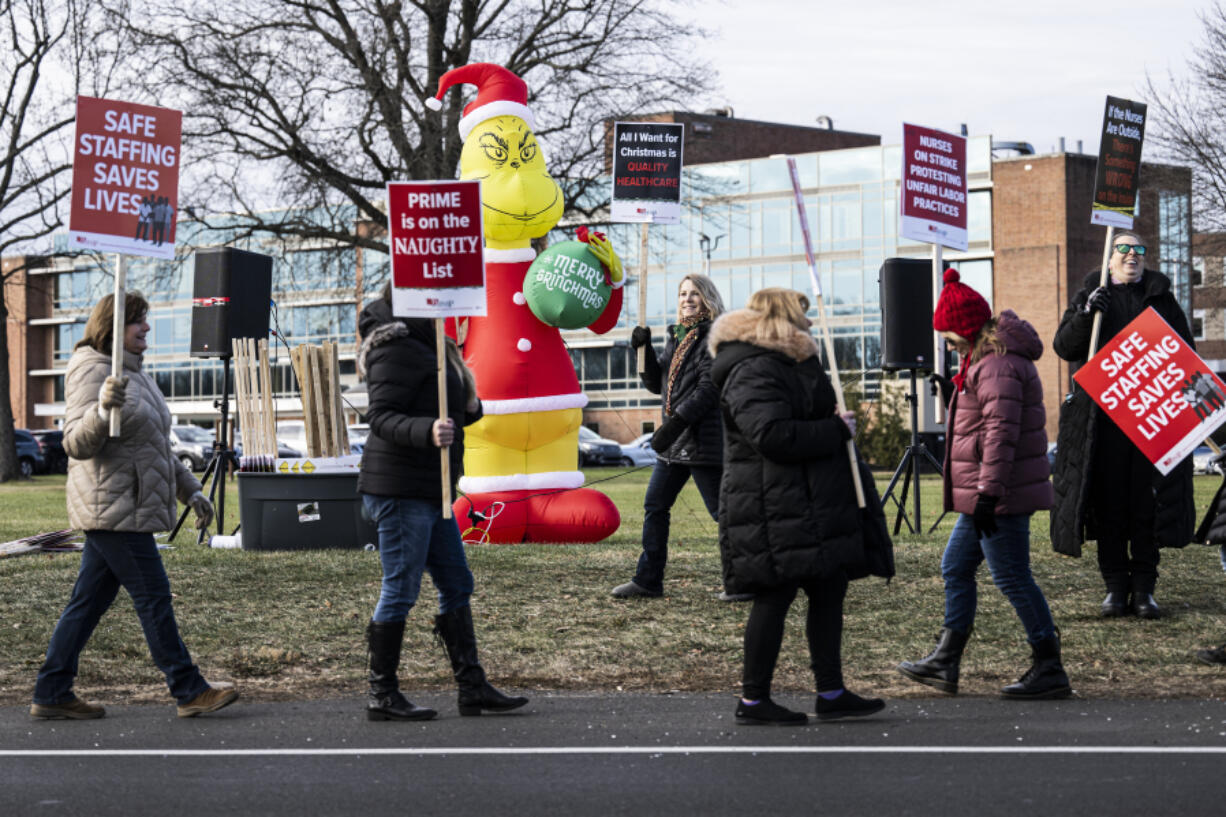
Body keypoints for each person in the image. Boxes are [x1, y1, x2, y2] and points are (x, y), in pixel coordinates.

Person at [31, 292, 237, 720]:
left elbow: (155, 447)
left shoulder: (135, 373)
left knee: (86, 605)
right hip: (113, 506)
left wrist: (190, 491)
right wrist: (103, 409)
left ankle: (52, 692)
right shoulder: (92, 370)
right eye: (137, 321)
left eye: (146, 320)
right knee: (154, 596)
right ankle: (188, 688)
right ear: (112, 326)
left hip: (131, 505)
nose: (146, 328)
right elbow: (75, 444)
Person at [709, 288, 892, 725]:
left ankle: (831, 691)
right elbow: (772, 436)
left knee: (829, 589)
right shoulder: (752, 368)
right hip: (772, 504)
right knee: (774, 595)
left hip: (808, 500)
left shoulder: (786, 362)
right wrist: (834, 430)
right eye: (803, 318)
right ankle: (753, 700)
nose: (810, 326)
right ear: (785, 319)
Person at [357, 285, 528, 721]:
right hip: (400, 488)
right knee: (401, 589)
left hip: (434, 489)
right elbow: (378, 416)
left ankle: (472, 687)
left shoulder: (436, 339)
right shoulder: (393, 343)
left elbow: (452, 405)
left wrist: (470, 408)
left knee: (457, 582)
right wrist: (426, 430)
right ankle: (383, 694)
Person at [897, 270, 1070, 699]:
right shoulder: (985, 361)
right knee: (956, 566)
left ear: (968, 328)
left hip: (998, 493)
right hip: (986, 493)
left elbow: (1000, 434)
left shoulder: (996, 364)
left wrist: (989, 494)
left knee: (1012, 576)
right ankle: (945, 660)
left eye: (949, 334)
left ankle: (1049, 665)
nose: (947, 343)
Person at [1051, 232, 1196, 619]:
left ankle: (1145, 589)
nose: (1132, 256)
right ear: (1110, 259)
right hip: (1104, 423)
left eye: (1139, 250)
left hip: (1151, 420)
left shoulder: (1162, 298)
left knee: (1145, 506)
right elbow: (1065, 347)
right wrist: (1085, 317)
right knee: (1111, 505)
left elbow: (1186, 353)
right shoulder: (1091, 295)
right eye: (1124, 250)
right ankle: (1115, 588)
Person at [612, 274, 734, 599]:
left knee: (723, 513)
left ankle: (745, 579)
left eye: (695, 293)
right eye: (682, 293)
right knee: (655, 505)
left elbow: (709, 390)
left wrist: (674, 425)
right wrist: (644, 350)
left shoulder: (714, 336)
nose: (687, 299)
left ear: (707, 298)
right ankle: (647, 580)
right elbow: (657, 385)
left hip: (702, 440)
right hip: (675, 443)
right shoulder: (677, 335)